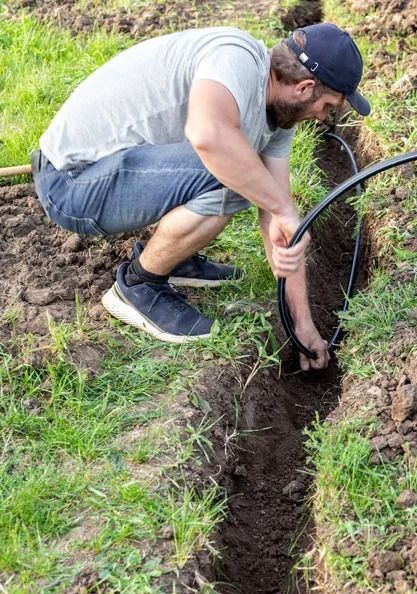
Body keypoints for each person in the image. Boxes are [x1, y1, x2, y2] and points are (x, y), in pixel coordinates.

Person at [31, 22, 370, 371]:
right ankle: (139, 285)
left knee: (247, 174)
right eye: (328, 106)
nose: (323, 117)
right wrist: (280, 206)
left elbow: (280, 219)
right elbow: (207, 135)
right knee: (234, 171)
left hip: (118, 171)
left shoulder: (278, 119)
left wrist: (302, 325)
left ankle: (175, 256)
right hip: (72, 182)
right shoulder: (235, 59)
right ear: (305, 87)